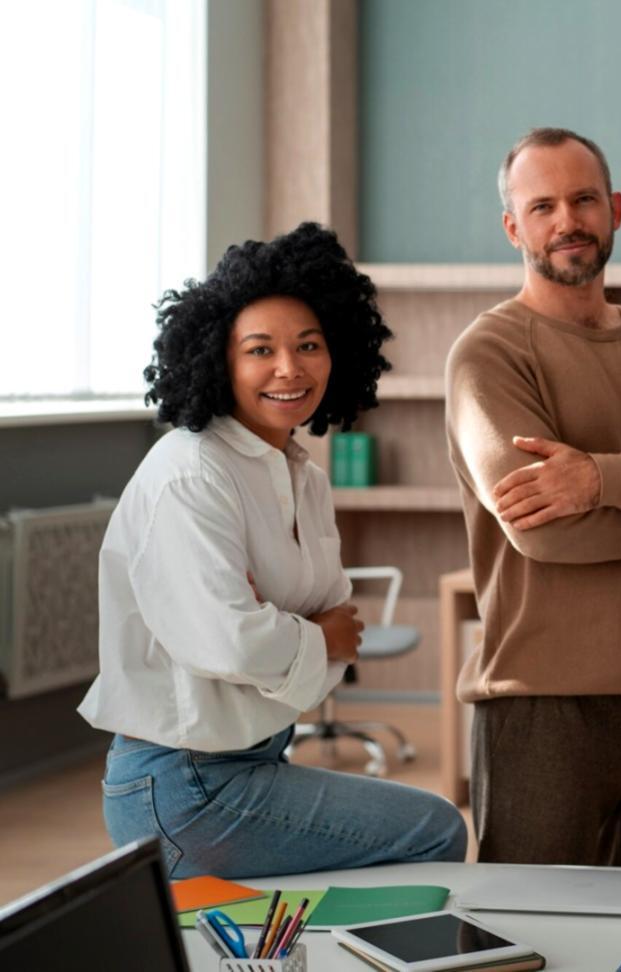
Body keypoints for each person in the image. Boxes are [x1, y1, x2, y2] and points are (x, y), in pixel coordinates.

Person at [79, 222, 468, 878]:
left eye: (309, 346)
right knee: (435, 830)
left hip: (249, 761)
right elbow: (235, 641)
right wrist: (311, 635)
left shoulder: (301, 473)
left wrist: (294, 632)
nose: (290, 368)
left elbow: (332, 616)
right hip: (183, 786)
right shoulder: (190, 471)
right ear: (218, 359)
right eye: (261, 349)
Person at [445, 128, 621, 867]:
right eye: (543, 206)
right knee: (532, 940)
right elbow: (545, 533)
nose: (568, 220)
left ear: (615, 208)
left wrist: (600, 481)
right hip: (540, 707)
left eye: (584, 199)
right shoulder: (487, 354)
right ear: (513, 226)